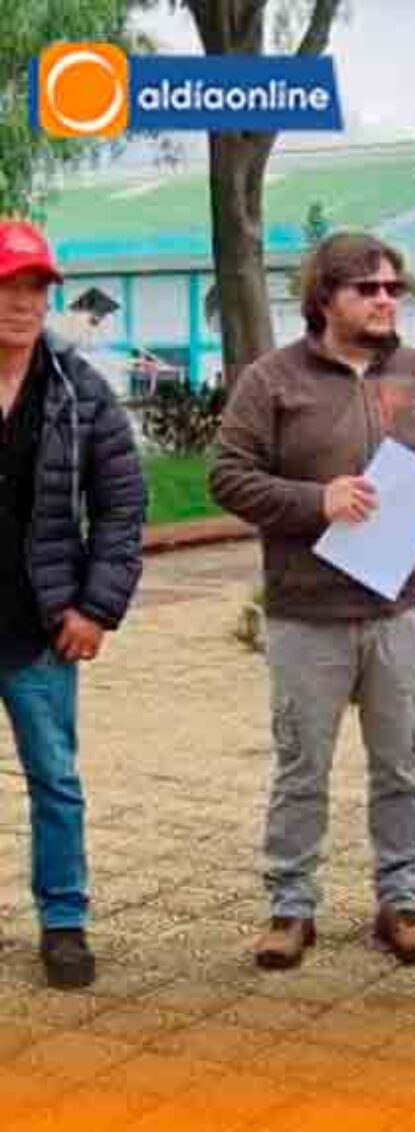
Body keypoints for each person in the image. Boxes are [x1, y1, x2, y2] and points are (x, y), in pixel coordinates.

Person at [211, 231, 415, 969]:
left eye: (393, 288)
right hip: (307, 614)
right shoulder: (272, 380)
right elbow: (228, 476)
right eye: (367, 288)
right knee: (301, 767)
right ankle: (290, 907)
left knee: (401, 765)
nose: (384, 300)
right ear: (325, 296)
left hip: (402, 609)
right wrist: (318, 501)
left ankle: (402, 902)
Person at [0, 220, 147, 990]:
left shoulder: (78, 389)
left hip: (40, 626)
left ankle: (63, 922)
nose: (22, 303)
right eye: (7, 286)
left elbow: (123, 505)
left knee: (55, 780)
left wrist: (96, 608)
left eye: (35, 288)